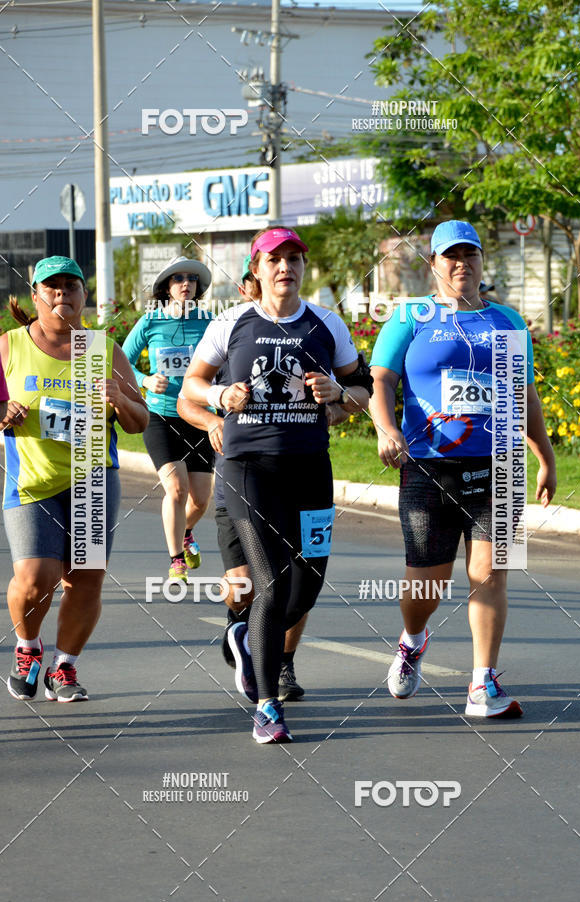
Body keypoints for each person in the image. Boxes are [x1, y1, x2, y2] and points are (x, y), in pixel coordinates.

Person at [182, 226, 372, 743]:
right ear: (258, 270)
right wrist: (221, 397)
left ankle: (248, 637)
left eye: (294, 259)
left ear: (303, 269)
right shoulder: (232, 322)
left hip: (310, 470)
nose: (285, 267)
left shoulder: (326, 324)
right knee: (269, 580)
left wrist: (338, 391)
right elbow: (191, 388)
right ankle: (267, 706)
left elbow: (364, 389)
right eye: (275, 260)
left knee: (306, 585)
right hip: (248, 470)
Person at [369, 220, 556, 718]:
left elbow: (525, 394)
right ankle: (412, 641)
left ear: (480, 261)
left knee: (491, 572)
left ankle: (481, 685)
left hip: (502, 464)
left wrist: (545, 456)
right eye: (450, 256)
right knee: (425, 586)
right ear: (433, 265)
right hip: (430, 466)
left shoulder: (508, 320)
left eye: (470, 254)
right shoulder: (410, 317)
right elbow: (382, 382)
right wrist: (388, 430)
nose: (461, 264)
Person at [0, 255, 148, 702]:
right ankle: (28, 649)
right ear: (36, 296)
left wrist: (121, 397)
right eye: (53, 287)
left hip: (92, 479)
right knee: (35, 578)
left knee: (85, 576)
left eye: (72, 286)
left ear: (84, 296)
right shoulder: (9, 346)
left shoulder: (103, 350)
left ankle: (63, 667)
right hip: (31, 478)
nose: (62, 294)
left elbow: (140, 421)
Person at [123, 256, 214, 582]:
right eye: (178, 279)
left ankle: (186, 530)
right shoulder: (150, 322)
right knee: (176, 489)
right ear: (166, 287)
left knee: (200, 500)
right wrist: (146, 380)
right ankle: (176, 560)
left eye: (191, 278)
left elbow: (227, 358)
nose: (186, 283)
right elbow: (121, 363)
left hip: (200, 417)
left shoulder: (209, 321)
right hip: (161, 415)